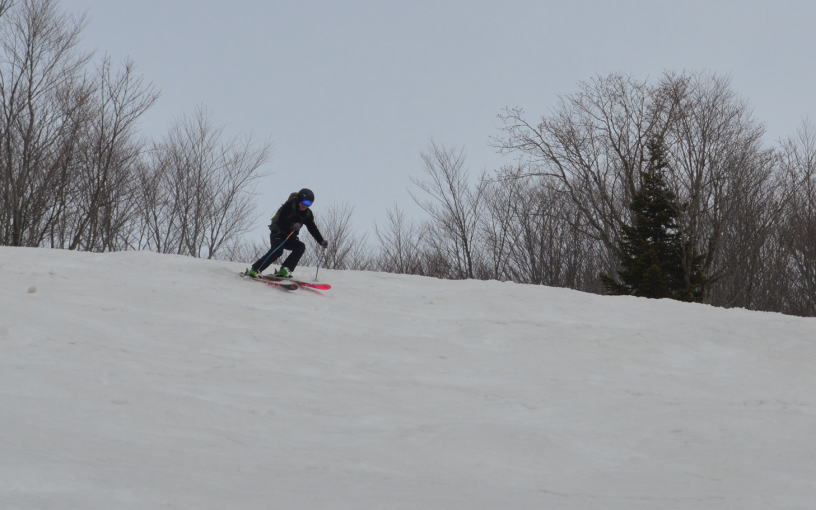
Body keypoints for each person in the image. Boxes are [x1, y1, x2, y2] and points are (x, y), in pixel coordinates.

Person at [244, 188, 328, 278]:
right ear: (299, 199)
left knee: (300, 247)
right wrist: (291, 225)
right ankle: (255, 270)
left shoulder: (307, 214)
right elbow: (280, 221)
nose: (305, 206)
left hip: (290, 237)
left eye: (309, 204)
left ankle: (285, 270)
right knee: (278, 251)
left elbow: (312, 228)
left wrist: (321, 241)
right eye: (304, 202)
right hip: (278, 233)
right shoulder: (289, 206)